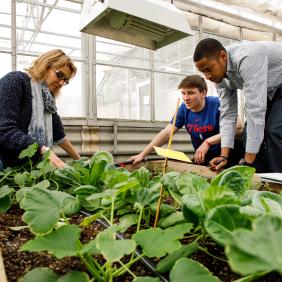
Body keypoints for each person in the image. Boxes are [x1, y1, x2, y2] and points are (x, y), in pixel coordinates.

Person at [193, 38, 282, 173]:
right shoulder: (219, 77)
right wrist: (224, 155)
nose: (207, 76)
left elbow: (255, 110)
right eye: (203, 72)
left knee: (273, 131)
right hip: (270, 89)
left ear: (223, 56)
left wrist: (246, 164)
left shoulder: (248, 57)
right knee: (247, 134)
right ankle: (259, 179)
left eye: (208, 69)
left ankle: (277, 185)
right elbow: (228, 113)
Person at [129, 75, 243, 166]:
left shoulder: (217, 103)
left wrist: (208, 142)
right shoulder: (183, 109)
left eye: (191, 93)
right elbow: (166, 133)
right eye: (183, 93)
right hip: (204, 157)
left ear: (203, 93)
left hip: (228, 155)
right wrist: (142, 154)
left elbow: (238, 128)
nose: (186, 98)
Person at [0, 49, 80, 170]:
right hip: (4, 163)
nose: (61, 82)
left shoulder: (48, 98)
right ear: (45, 65)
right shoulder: (15, 81)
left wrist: (81, 161)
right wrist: (42, 149)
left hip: (26, 167)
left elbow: (59, 135)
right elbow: (5, 130)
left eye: (65, 80)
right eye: (59, 75)